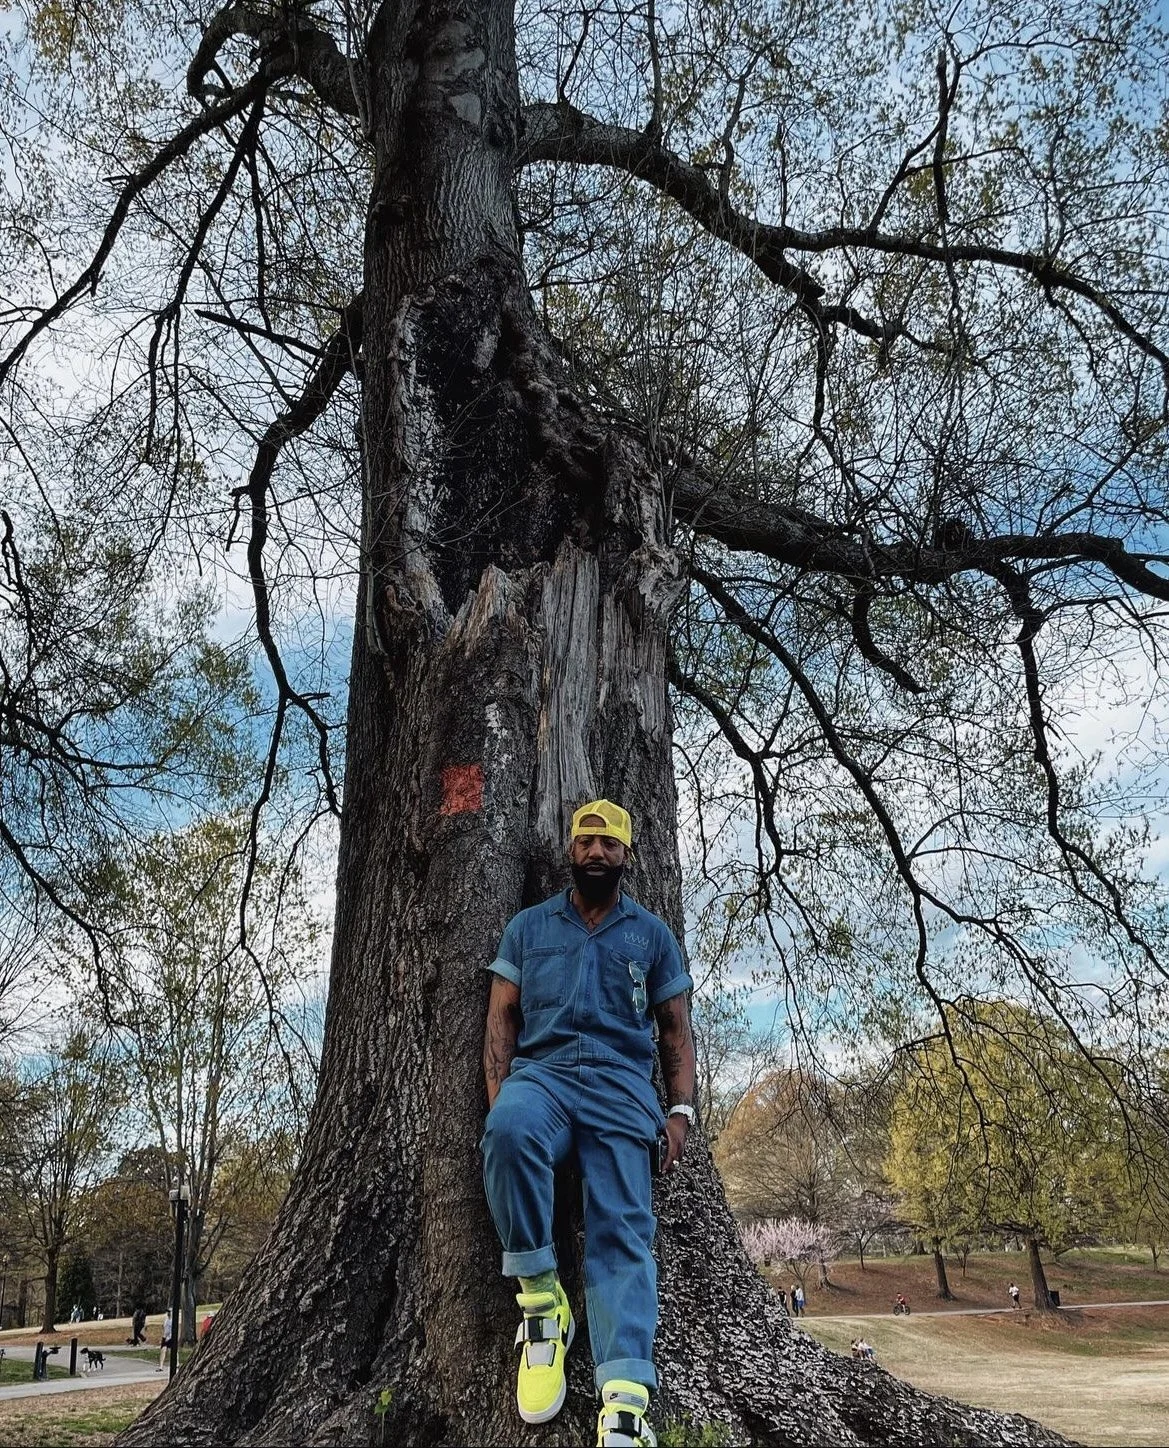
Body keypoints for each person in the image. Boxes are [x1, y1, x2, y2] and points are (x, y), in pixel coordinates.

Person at [482, 800, 695, 1448]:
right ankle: (543, 1306)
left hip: (620, 1088)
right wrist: (501, 1103)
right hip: (542, 1077)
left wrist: (680, 1111)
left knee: (621, 1227)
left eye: (609, 844)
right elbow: (501, 1018)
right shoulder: (527, 928)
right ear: (570, 850)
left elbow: (674, 1030)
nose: (596, 852)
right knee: (509, 1133)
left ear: (626, 855)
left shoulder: (651, 936)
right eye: (586, 841)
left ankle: (624, 1403)